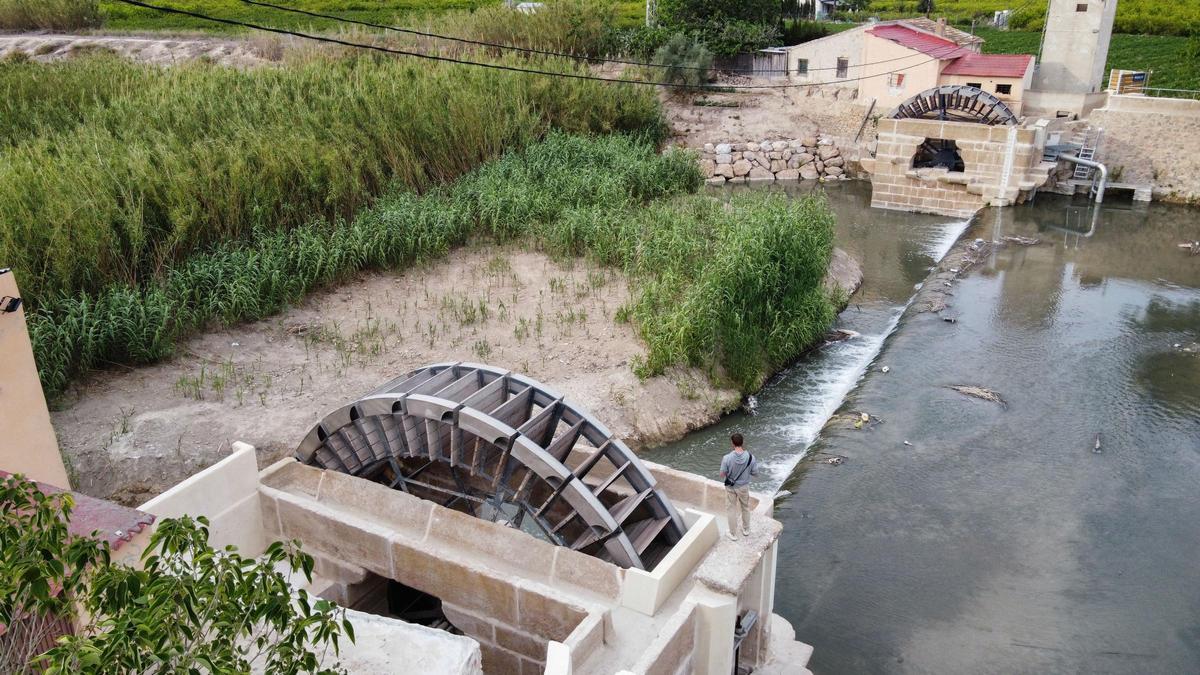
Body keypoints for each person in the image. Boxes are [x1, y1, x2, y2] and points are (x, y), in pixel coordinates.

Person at [719, 433, 757, 541]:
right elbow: (755, 473)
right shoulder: (751, 457)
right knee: (745, 507)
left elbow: (722, 474)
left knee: (731, 509)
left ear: (732, 443)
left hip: (731, 488)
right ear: (742, 442)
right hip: (744, 487)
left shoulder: (726, 458)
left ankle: (733, 534)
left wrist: (729, 473)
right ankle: (746, 530)